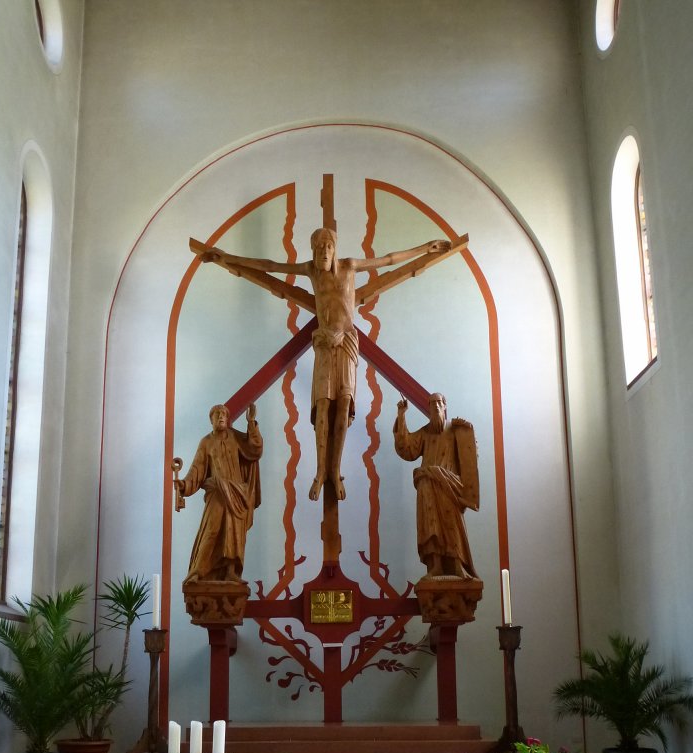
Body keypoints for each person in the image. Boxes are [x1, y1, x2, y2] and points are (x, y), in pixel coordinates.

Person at [200, 229, 450, 501]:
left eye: (327, 247)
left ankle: (335, 470)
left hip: (347, 344)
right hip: (322, 343)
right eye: (317, 248)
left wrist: (425, 247)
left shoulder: (350, 266)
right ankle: (320, 472)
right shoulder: (310, 270)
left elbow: (389, 260)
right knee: (322, 407)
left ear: (335, 249)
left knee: (343, 406)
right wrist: (226, 258)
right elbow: (270, 267)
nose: (322, 253)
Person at [393, 393, 479, 578]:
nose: (436, 407)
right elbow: (407, 449)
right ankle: (436, 566)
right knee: (430, 525)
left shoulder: (456, 430)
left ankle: (457, 566)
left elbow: (469, 456)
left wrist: (468, 432)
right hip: (427, 483)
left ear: (445, 406)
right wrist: (401, 414)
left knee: (451, 524)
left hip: (449, 485)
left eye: (439, 403)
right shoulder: (425, 433)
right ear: (429, 409)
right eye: (432, 404)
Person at [179, 403, 262, 583]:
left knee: (234, 534)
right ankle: (197, 572)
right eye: (217, 415)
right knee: (211, 530)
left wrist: (252, 423)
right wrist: (184, 485)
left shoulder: (236, 437)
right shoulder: (206, 442)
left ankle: (231, 571)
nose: (221, 417)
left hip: (237, 494)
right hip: (217, 492)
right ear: (211, 420)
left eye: (224, 414)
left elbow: (255, 449)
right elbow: (197, 470)